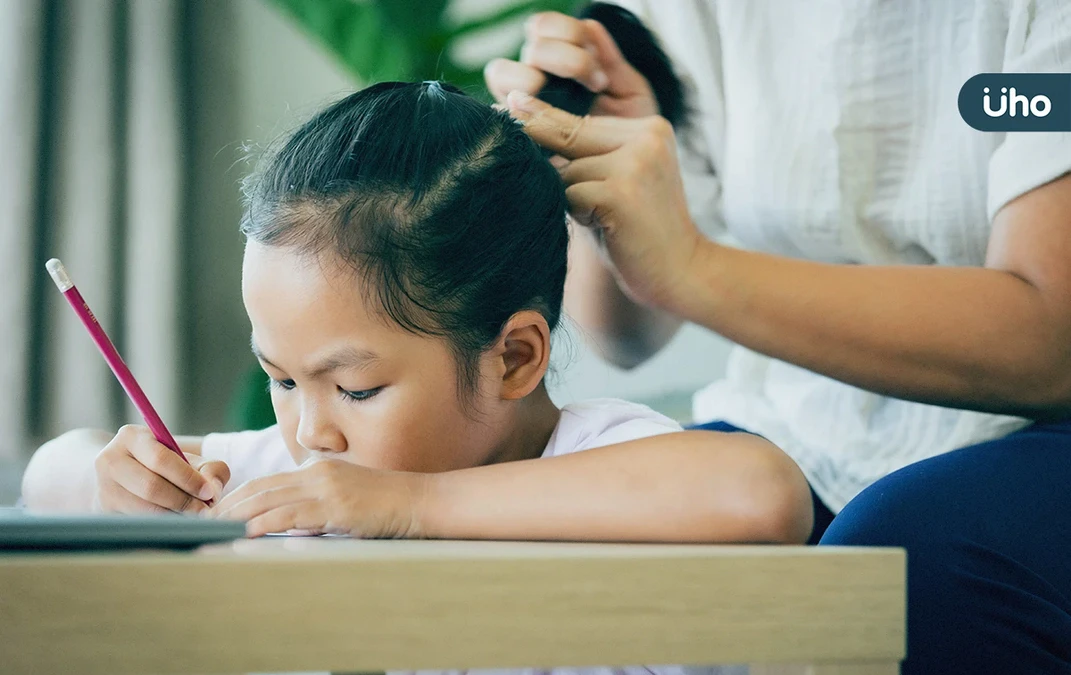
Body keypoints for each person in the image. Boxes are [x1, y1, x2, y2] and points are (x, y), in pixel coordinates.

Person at [484, 3, 1071, 674]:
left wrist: (691, 269)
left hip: (1039, 429)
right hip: (794, 425)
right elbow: (625, 335)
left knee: (895, 572)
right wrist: (612, 179)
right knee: (571, 562)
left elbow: (1051, 344)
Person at [21, 81, 810, 550]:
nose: (308, 431)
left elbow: (763, 493)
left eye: (355, 389)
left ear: (512, 359)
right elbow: (46, 477)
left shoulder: (600, 456)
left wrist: (413, 505)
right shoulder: (295, 471)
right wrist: (106, 477)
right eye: (280, 378)